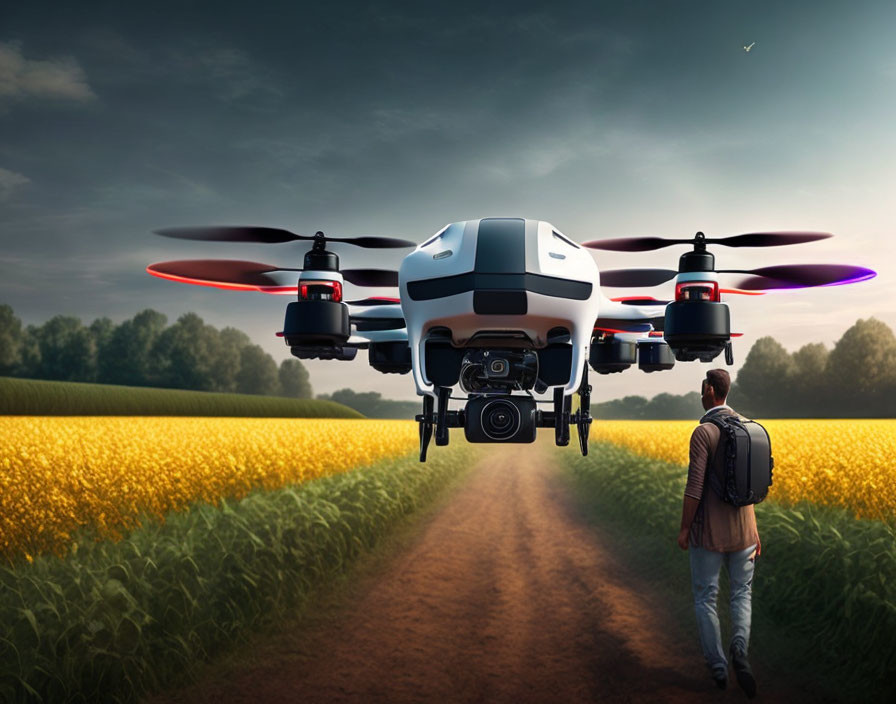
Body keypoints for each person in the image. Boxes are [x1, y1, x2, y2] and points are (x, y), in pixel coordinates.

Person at [677, 369, 760, 697]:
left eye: (703, 389)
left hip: (710, 534)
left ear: (709, 391)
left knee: (705, 597)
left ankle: (718, 667)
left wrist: (685, 528)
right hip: (746, 533)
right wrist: (756, 531)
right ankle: (740, 650)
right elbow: (751, 487)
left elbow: (695, 487)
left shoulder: (704, 432)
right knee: (742, 594)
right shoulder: (748, 427)